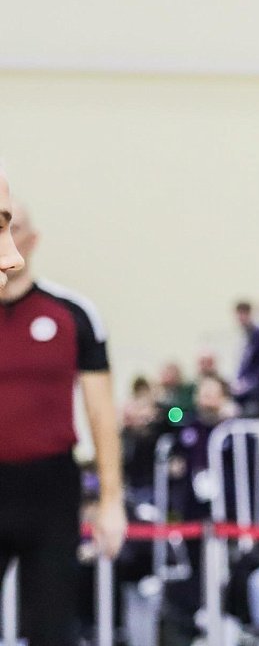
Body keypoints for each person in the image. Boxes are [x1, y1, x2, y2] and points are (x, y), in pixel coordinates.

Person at [0, 194, 127, 646]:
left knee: (52, 627)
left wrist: (111, 500)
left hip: (49, 489)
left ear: (32, 240)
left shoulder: (73, 314)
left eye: (12, 227)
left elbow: (101, 412)